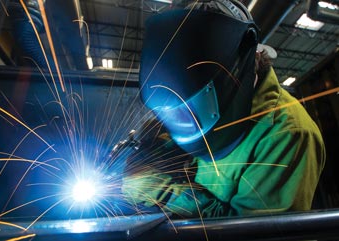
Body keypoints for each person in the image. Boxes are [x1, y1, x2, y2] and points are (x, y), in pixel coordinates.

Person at [121, 0, 326, 218]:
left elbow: (252, 233)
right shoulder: (187, 97)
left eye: (190, 108)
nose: (182, 119)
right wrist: (146, 153)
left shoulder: (286, 133)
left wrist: (163, 193)